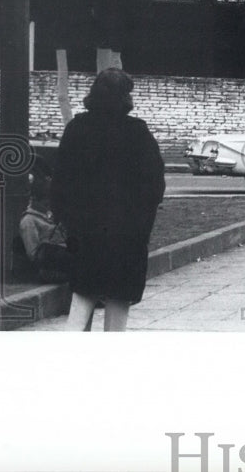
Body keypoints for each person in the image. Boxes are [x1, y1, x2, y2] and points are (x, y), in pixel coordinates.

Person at [50, 68, 165, 331]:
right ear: (125, 97)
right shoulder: (137, 132)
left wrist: (66, 221)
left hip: (85, 231)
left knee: (82, 297)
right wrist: (142, 225)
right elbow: (154, 185)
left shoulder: (77, 128)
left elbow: (60, 182)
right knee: (119, 300)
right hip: (127, 233)